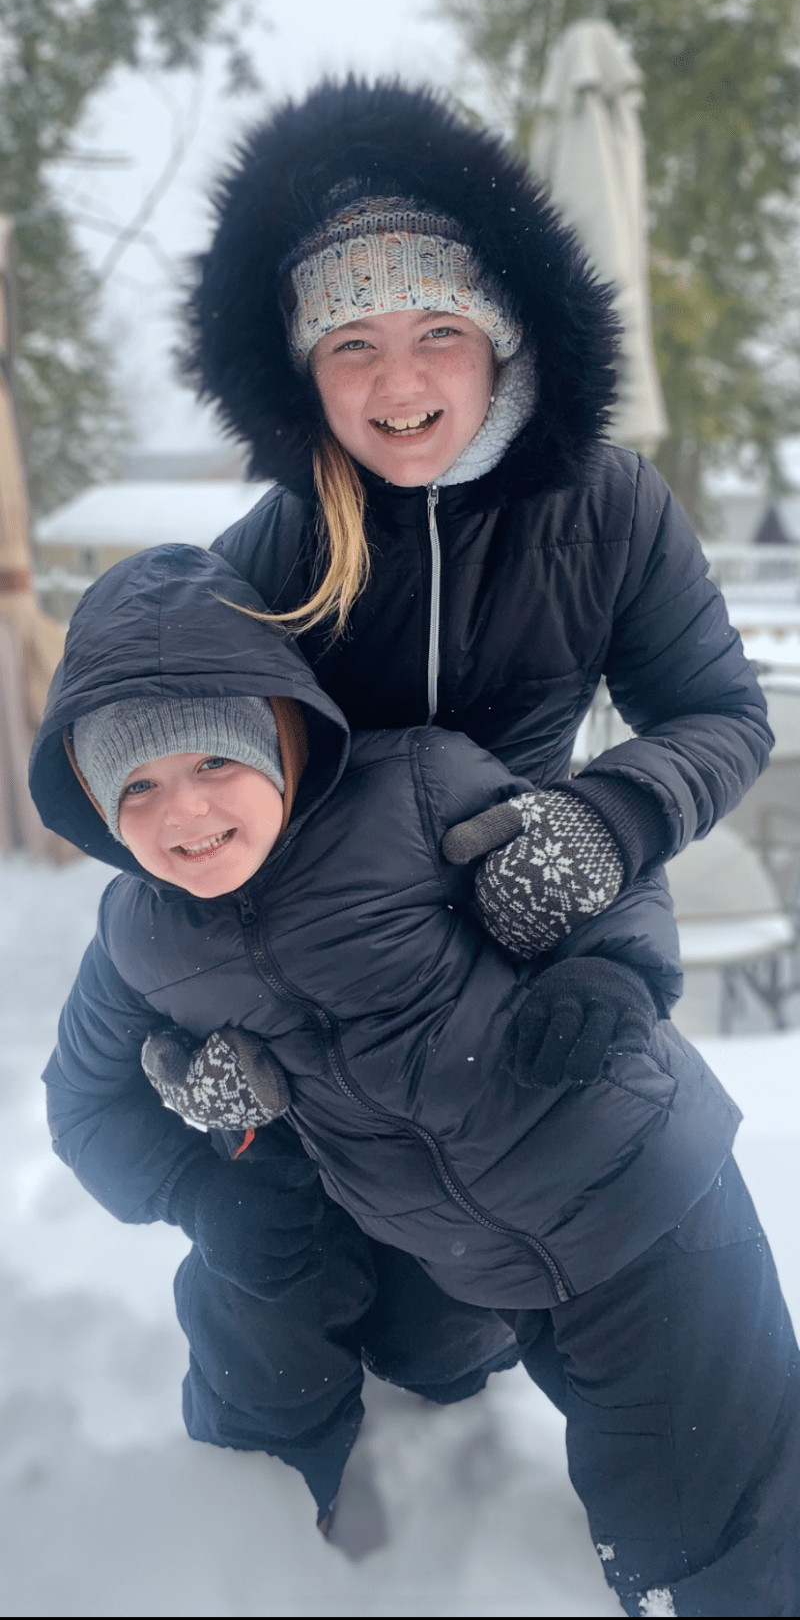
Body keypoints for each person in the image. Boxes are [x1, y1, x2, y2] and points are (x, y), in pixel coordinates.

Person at [30, 541, 800, 1617]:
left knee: (712, 1533)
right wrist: (198, 1191)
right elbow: (81, 1105)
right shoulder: (139, 939)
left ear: (280, 732)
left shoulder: (412, 788)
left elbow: (583, 855)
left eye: (214, 762)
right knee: (406, 1365)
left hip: (637, 1196)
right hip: (463, 1257)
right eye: (136, 785)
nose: (182, 817)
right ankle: (271, 1512)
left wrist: (609, 973)